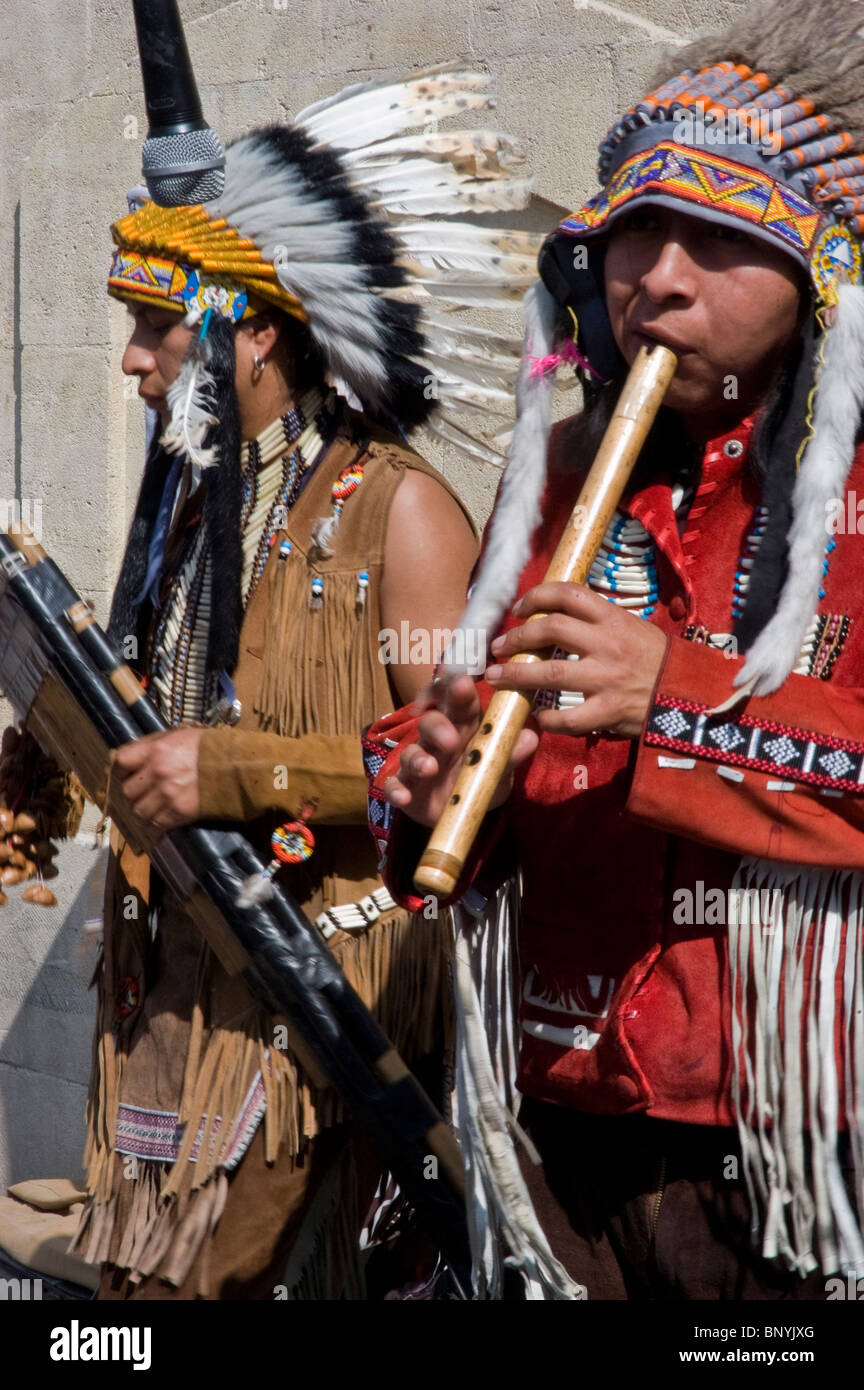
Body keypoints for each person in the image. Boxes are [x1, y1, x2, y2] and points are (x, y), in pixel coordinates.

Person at [364, 0, 864, 1299]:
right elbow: (465, 750)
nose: (662, 278)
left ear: (827, 270)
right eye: (639, 232)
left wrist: (673, 698)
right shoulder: (564, 476)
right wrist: (420, 776)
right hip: (556, 1108)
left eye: (722, 239)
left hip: (796, 1141)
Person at [69, 11, 538, 1300]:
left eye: (159, 327)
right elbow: (151, 707)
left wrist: (233, 772)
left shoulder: (398, 508)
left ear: (255, 332)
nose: (133, 361)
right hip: (168, 994)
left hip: (314, 1001)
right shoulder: (187, 508)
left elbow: (464, 769)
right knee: (131, 1302)